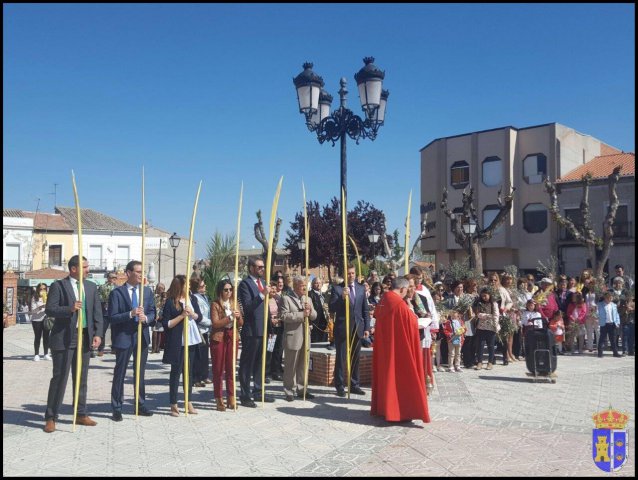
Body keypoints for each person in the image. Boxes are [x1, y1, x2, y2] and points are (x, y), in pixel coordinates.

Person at [43, 255, 103, 433]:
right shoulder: (58, 286)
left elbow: (97, 312)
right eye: (84, 267)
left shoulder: (91, 287)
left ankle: (81, 413)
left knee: (81, 378)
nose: (88, 270)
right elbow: (50, 309)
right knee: (60, 378)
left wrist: (98, 334)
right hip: (64, 338)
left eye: (88, 266)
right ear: (73, 269)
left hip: (84, 337)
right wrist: (68, 309)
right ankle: (51, 416)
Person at [371, 277, 430, 423]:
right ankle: (399, 412)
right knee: (400, 379)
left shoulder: (384, 300)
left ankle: (385, 409)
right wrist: (412, 312)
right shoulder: (399, 304)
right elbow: (411, 323)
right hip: (399, 350)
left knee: (386, 378)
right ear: (402, 289)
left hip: (386, 348)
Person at [108, 260, 157, 421]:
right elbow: (112, 318)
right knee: (120, 372)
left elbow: (153, 313)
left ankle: (140, 403)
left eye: (142, 272)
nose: (141, 275)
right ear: (128, 273)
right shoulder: (117, 293)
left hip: (141, 336)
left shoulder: (147, 292)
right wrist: (130, 313)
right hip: (124, 337)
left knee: (140, 372)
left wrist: (147, 318)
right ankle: (116, 406)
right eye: (137, 272)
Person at [162, 275, 203, 416]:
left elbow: (200, 317)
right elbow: (166, 324)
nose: (189, 287)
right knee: (176, 372)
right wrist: (181, 316)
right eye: (187, 285)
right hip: (177, 342)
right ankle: (173, 403)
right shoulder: (170, 302)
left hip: (191, 339)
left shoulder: (192, 299)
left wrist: (193, 314)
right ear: (180, 286)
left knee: (189, 372)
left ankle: (188, 401)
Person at [329, 264, 370, 397]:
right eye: (348, 273)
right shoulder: (337, 289)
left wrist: (367, 327)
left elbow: (365, 310)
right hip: (343, 328)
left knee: (355, 358)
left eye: (352, 273)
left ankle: (354, 384)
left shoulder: (360, 288)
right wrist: (341, 298)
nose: (350, 276)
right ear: (344, 275)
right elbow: (332, 308)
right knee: (341, 358)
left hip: (357, 328)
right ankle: (340, 385)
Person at [237, 258, 274, 407]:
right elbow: (247, 307)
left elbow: (266, 309)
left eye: (263, 267)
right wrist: (262, 295)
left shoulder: (263, 283)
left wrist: (270, 327)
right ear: (251, 268)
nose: (261, 269)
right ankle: (245, 394)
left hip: (263, 329)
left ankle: (258, 391)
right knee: (247, 364)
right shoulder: (245, 284)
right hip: (251, 330)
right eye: (259, 267)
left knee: (260, 363)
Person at [279, 275, 317, 402]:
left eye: (306, 286)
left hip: (306, 336)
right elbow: (284, 316)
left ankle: (302, 389)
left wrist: (310, 310)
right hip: (293, 336)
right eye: (302, 286)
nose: (305, 288)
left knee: (303, 365)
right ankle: (289, 390)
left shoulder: (308, 299)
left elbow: (314, 316)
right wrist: (302, 315)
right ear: (295, 286)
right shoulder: (286, 299)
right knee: (291, 365)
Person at [210, 279, 243, 411]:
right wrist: (229, 318)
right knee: (218, 369)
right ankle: (219, 398)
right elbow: (215, 323)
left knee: (231, 368)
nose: (229, 292)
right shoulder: (215, 304)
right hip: (219, 338)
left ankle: (231, 397)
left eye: (230, 289)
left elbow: (241, 323)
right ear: (221, 291)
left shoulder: (234, 303)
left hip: (232, 336)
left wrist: (239, 316)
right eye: (226, 290)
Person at [192, 277, 212, 387]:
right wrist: (211, 322)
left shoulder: (204, 297)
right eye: (202, 286)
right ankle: (196, 378)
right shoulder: (195, 298)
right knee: (198, 356)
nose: (204, 288)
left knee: (204, 355)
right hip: (199, 328)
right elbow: (198, 315)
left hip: (205, 329)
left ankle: (204, 375)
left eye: (204, 286)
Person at [473, 288, 499, 371]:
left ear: (489, 295)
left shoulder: (493, 304)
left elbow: (495, 315)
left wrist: (495, 326)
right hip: (481, 327)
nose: (484, 297)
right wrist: (487, 315)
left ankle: (490, 362)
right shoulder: (479, 303)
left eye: (485, 295)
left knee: (491, 346)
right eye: (482, 296)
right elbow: (478, 314)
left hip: (491, 327)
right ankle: (479, 362)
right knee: (480, 345)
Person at [266, 275, 285, 383]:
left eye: (274, 288)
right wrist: (271, 320)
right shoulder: (266, 300)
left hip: (279, 328)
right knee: (270, 350)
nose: (273, 290)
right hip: (271, 330)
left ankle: (276, 372)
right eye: (271, 289)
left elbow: (283, 311)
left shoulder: (278, 299)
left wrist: (279, 318)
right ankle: (267, 373)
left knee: (278, 351)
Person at [97, 272, 118, 357]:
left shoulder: (118, 288)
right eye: (112, 277)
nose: (114, 279)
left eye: (115, 277)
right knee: (102, 331)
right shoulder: (102, 287)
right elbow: (98, 297)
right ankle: (100, 349)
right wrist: (105, 301)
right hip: (104, 313)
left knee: (115, 331)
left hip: (115, 313)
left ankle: (114, 348)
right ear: (108, 278)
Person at [597, 291, 622, 358]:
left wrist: (617, 322)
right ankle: (600, 353)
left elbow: (616, 314)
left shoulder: (613, 305)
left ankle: (615, 352)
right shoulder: (600, 304)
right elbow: (597, 313)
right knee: (602, 339)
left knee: (613, 339)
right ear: (605, 298)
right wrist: (597, 318)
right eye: (608, 298)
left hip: (612, 324)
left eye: (611, 298)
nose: (610, 299)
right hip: (604, 324)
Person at [30, 283, 50, 361]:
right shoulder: (34, 297)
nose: (43, 290)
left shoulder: (48, 297)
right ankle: (36, 354)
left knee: (46, 337)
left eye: (44, 289)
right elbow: (33, 310)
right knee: (37, 336)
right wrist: (41, 307)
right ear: (38, 289)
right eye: (41, 289)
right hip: (36, 320)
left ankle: (46, 354)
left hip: (46, 319)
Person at [308, 277, 329, 344]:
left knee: (323, 342)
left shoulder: (324, 295)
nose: (318, 284)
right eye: (316, 283)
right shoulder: (310, 294)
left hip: (324, 323)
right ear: (312, 284)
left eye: (319, 283)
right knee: (315, 343)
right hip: (315, 323)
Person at [151, 283, 167, 353]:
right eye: (159, 288)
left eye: (162, 288)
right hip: (154, 315)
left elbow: (165, 307)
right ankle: (153, 348)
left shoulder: (164, 297)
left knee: (160, 332)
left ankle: (158, 347)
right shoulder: (154, 296)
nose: (160, 290)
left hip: (161, 315)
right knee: (154, 331)